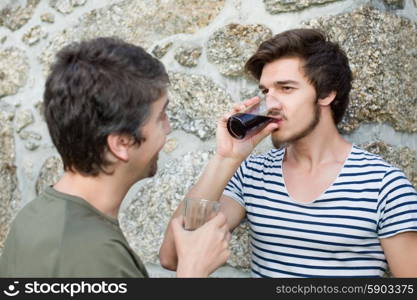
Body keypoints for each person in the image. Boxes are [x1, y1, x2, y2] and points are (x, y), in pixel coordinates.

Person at [159, 28, 417, 277]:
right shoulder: (251, 174)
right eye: (265, 91)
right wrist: (226, 158)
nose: (270, 103)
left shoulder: (385, 186)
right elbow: (175, 257)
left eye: (286, 88)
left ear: (326, 94)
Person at [0, 37, 230, 278]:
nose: (168, 127)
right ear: (122, 143)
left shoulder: (34, 216)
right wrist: (193, 272)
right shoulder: (96, 256)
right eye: (161, 116)